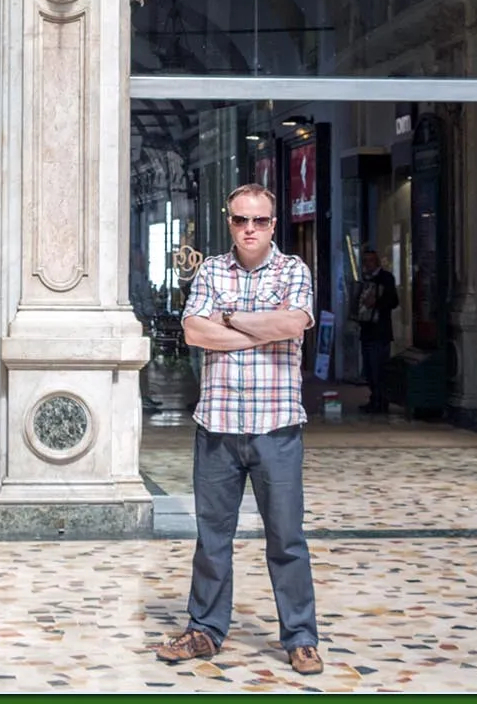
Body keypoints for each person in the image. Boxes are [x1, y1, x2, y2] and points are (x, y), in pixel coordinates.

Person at [153, 184, 323, 677]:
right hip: (219, 427)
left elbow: (294, 324)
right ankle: (204, 629)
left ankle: (301, 638)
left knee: (287, 539)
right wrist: (259, 329)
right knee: (212, 538)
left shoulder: (293, 270)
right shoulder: (210, 270)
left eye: (259, 220)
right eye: (240, 219)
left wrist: (227, 321)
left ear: (273, 225)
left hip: (277, 428)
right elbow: (193, 331)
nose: (249, 229)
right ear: (229, 222)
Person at [352, 249, 400, 413]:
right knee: (369, 368)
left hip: (380, 332)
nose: (368, 264)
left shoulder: (386, 278)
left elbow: (394, 301)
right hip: (367, 331)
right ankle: (374, 398)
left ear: (377, 262)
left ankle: (381, 401)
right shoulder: (364, 280)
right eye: (365, 261)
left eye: (371, 261)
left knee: (379, 368)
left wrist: (377, 302)